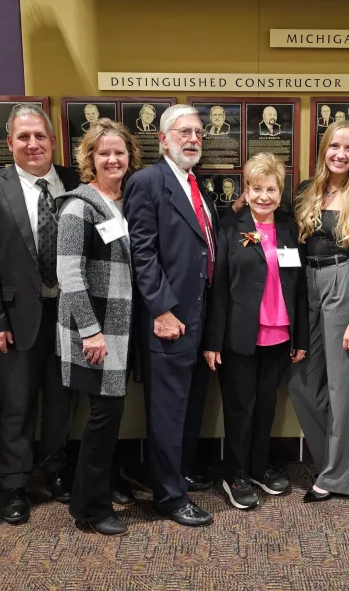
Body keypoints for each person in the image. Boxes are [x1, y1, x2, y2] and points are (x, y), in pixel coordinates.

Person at [0, 104, 80, 525]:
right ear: (10, 143)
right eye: (23, 137)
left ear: (53, 141)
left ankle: (54, 471)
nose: (32, 144)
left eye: (40, 136)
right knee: (15, 404)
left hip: (69, 313)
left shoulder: (74, 181)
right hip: (14, 317)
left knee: (61, 398)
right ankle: (13, 483)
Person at [124, 104, 217, 527]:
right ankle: (168, 496)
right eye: (183, 132)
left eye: (198, 132)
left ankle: (178, 472)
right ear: (163, 139)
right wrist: (160, 308)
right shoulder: (147, 182)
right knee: (167, 407)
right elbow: (141, 252)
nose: (193, 138)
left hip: (198, 317)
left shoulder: (197, 185)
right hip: (169, 319)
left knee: (190, 402)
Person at [202, 153, 307, 510]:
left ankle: (259, 465)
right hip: (239, 336)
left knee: (265, 407)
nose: (264, 196)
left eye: (271, 189)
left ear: (281, 191)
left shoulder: (290, 227)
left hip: (280, 336)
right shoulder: (230, 227)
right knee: (240, 408)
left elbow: (299, 287)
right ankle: (235, 473)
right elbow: (218, 287)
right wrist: (213, 340)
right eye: (257, 188)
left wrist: (301, 338)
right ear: (245, 190)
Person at [287, 120, 349, 503]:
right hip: (307, 283)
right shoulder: (306, 191)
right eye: (335, 147)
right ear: (323, 149)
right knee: (300, 381)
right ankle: (345, 457)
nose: (341, 154)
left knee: (343, 387)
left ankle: (339, 477)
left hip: (346, 283)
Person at [56, 118, 141, 536]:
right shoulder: (78, 206)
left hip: (123, 330)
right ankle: (88, 508)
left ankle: (105, 485)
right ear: (89, 158)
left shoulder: (126, 202)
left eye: (119, 152)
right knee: (103, 417)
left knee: (112, 413)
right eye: (104, 152)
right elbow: (69, 276)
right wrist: (90, 331)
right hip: (97, 332)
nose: (112, 159)